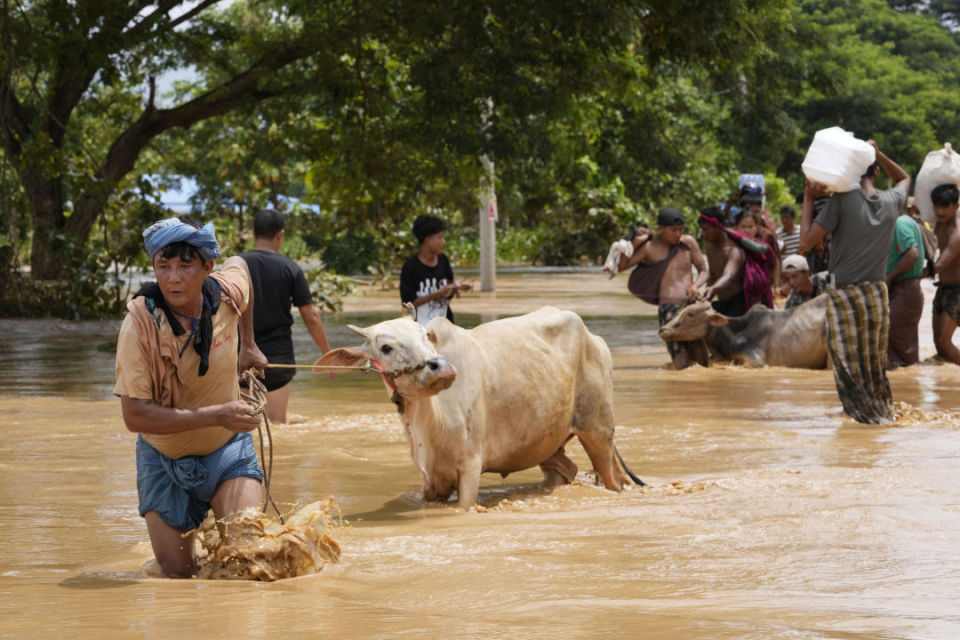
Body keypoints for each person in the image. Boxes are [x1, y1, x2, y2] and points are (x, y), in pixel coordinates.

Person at [114, 216, 269, 578]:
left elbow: (242, 266)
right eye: (163, 266)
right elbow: (134, 417)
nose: (173, 277)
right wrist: (217, 414)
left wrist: (249, 344)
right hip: (163, 459)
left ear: (207, 267)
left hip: (227, 449)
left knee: (248, 562)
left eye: (185, 265)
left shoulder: (226, 293)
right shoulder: (139, 325)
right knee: (178, 577)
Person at [799, 139, 909, 424]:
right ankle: (882, 415)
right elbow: (904, 178)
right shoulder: (890, 201)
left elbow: (804, 245)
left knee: (848, 363)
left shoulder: (842, 201)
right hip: (876, 293)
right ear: (875, 172)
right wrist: (879, 152)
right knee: (873, 363)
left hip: (844, 294)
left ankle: (861, 419)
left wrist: (809, 198)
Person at [241, 209, 332, 424]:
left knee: (243, 427)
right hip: (277, 358)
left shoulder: (236, 265)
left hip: (241, 356)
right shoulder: (290, 268)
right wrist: (327, 354)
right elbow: (311, 317)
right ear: (280, 235)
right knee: (278, 425)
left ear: (253, 232)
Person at [615, 207, 709, 369]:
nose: (678, 234)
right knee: (680, 357)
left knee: (702, 357)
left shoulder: (688, 243)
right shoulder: (649, 248)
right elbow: (621, 267)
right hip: (669, 310)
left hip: (691, 306)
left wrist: (695, 285)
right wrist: (635, 242)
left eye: (681, 230)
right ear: (661, 228)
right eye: (673, 230)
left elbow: (704, 270)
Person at [400, 214, 472, 327]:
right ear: (427, 240)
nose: (443, 242)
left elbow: (446, 295)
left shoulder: (443, 261)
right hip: (420, 329)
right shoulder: (410, 267)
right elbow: (409, 304)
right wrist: (437, 293)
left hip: (444, 326)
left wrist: (454, 289)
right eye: (440, 237)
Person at [885, 206, 925, 368]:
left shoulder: (900, 223)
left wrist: (889, 277)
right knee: (903, 346)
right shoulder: (908, 222)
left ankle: (903, 387)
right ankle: (908, 387)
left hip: (904, 288)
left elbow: (912, 254)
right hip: (908, 290)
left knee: (895, 344)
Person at [931, 184, 960, 365]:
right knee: (938, 345)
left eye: (944, 206)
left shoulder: (957, 233)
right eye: (936, 206)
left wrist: (915, 273)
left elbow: (941, 263)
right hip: (943, 288)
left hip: (958, 290)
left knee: (944, 341)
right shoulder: (938, 226)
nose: (939, 211)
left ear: (956, 206)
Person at [732, 209, 776, 308]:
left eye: (750, 227)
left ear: (757, 227)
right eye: (743, 227)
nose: (747, 230)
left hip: (762, 293)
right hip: (739, 293)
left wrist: (774, 285)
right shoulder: (733, 247)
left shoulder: (763, 247)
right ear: (736, 228)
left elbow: (774, 264)